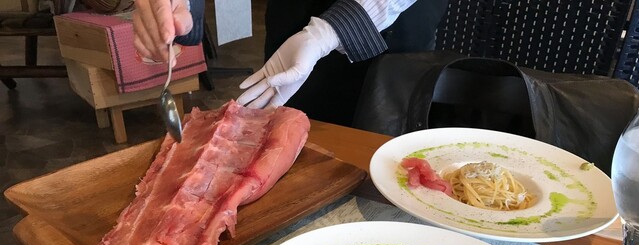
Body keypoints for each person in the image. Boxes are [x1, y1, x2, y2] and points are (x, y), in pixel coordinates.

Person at [132, 0, 448, 126]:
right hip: (294, 15)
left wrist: (330, 32)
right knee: (287, 140)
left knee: (377, 166)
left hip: (389, 30)